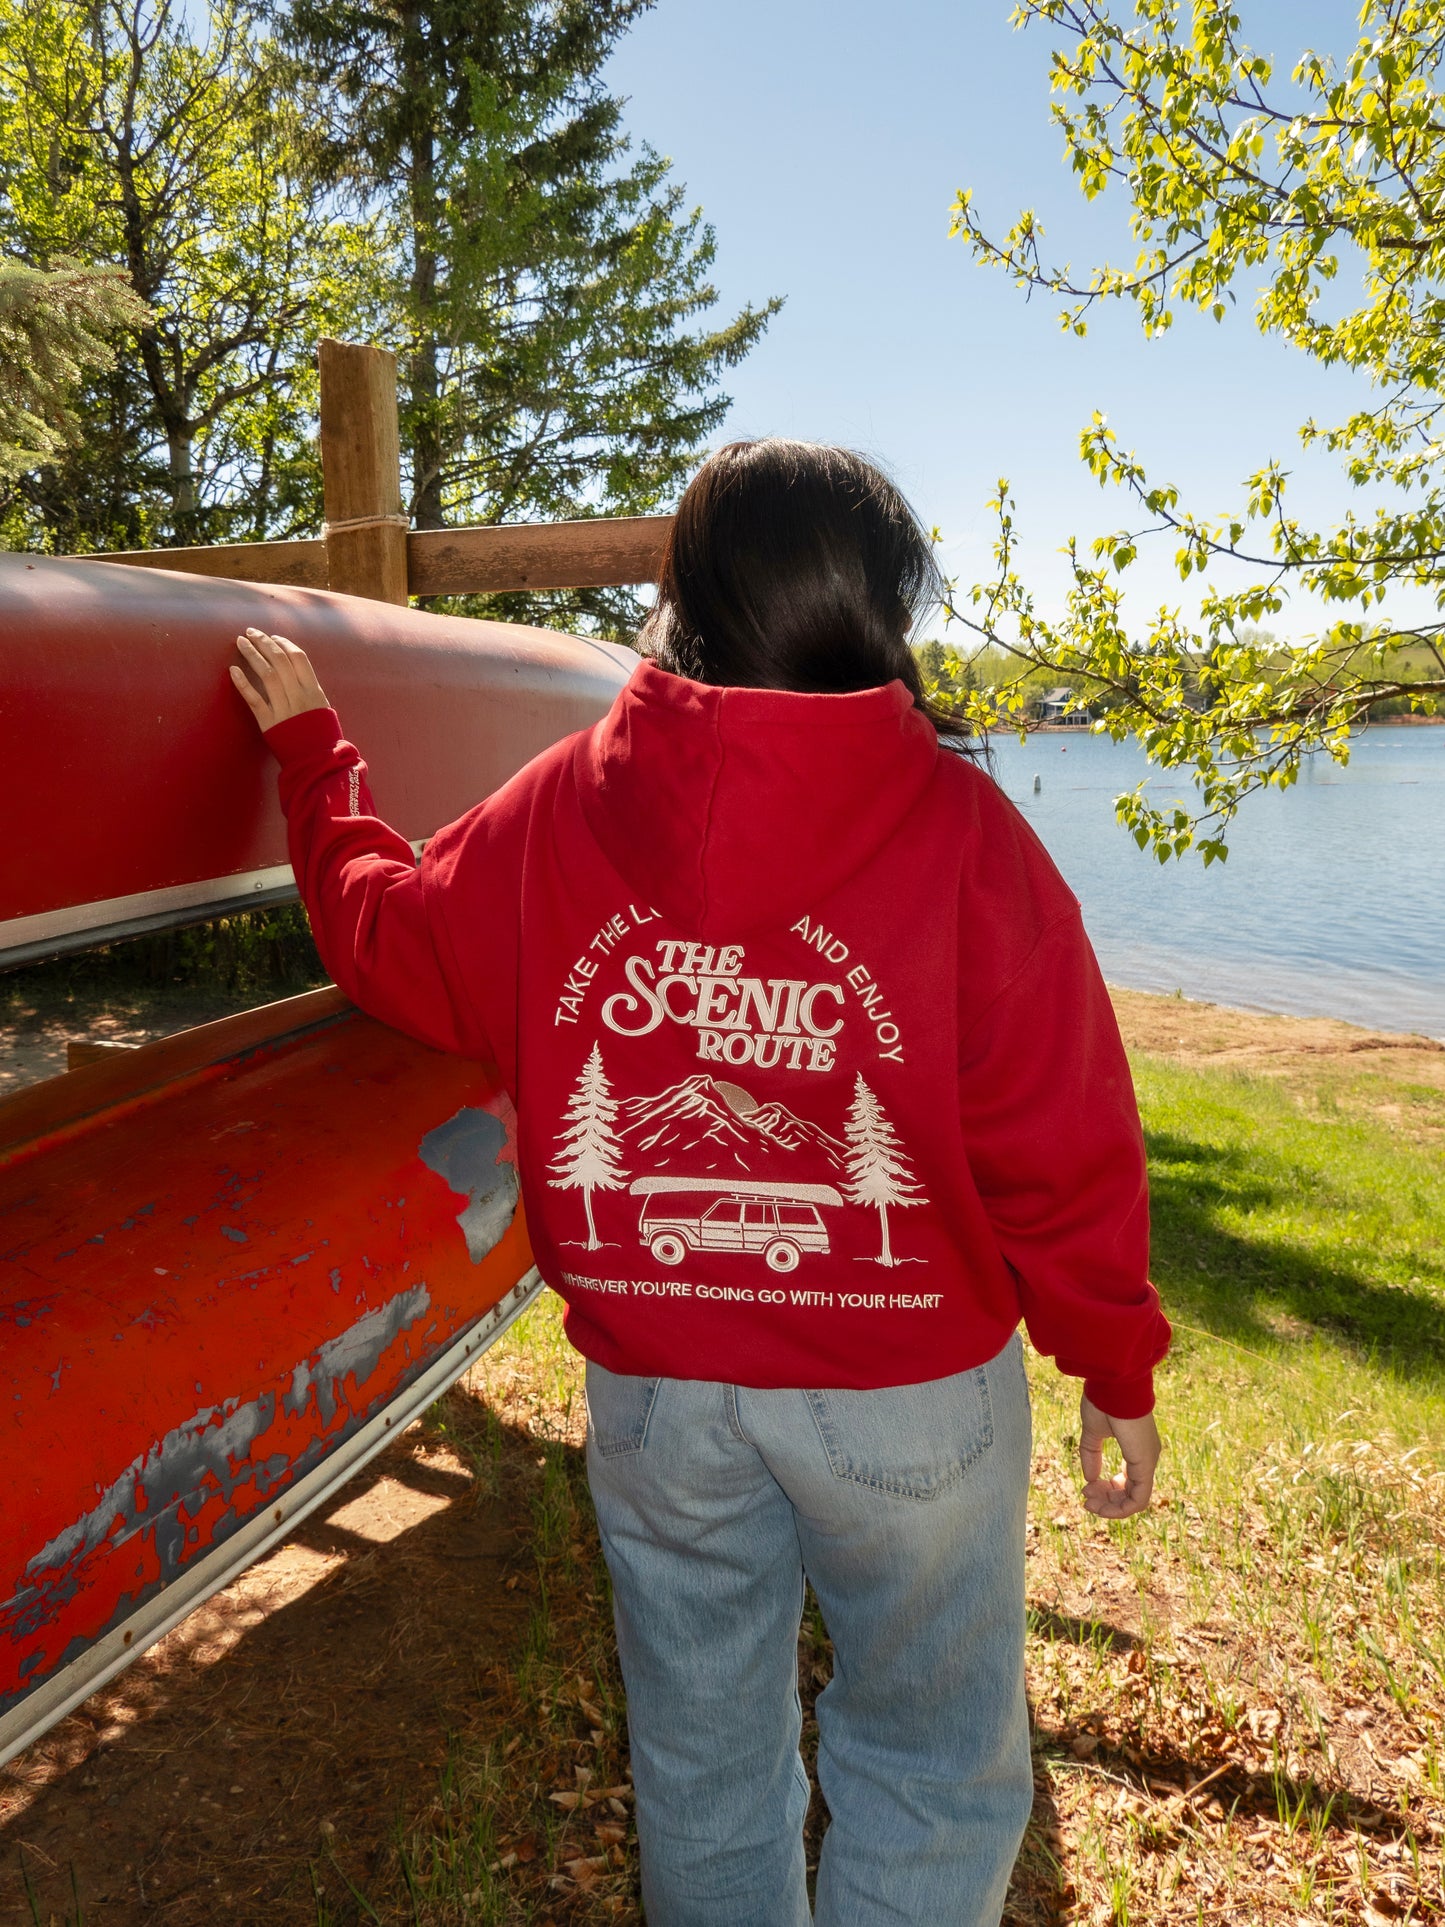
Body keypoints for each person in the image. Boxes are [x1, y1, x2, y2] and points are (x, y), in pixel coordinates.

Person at [231, 438, 1168, 1927]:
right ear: (880, 608)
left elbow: (393, 944)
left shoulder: (562, 803)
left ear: (684, 596)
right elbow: (1060, 1141)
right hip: (910, 1390)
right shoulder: (963, 833)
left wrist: (315, 768)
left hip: (661, 1391)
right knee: (929, 1755)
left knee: (702, 1751)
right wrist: (1111, 1359)